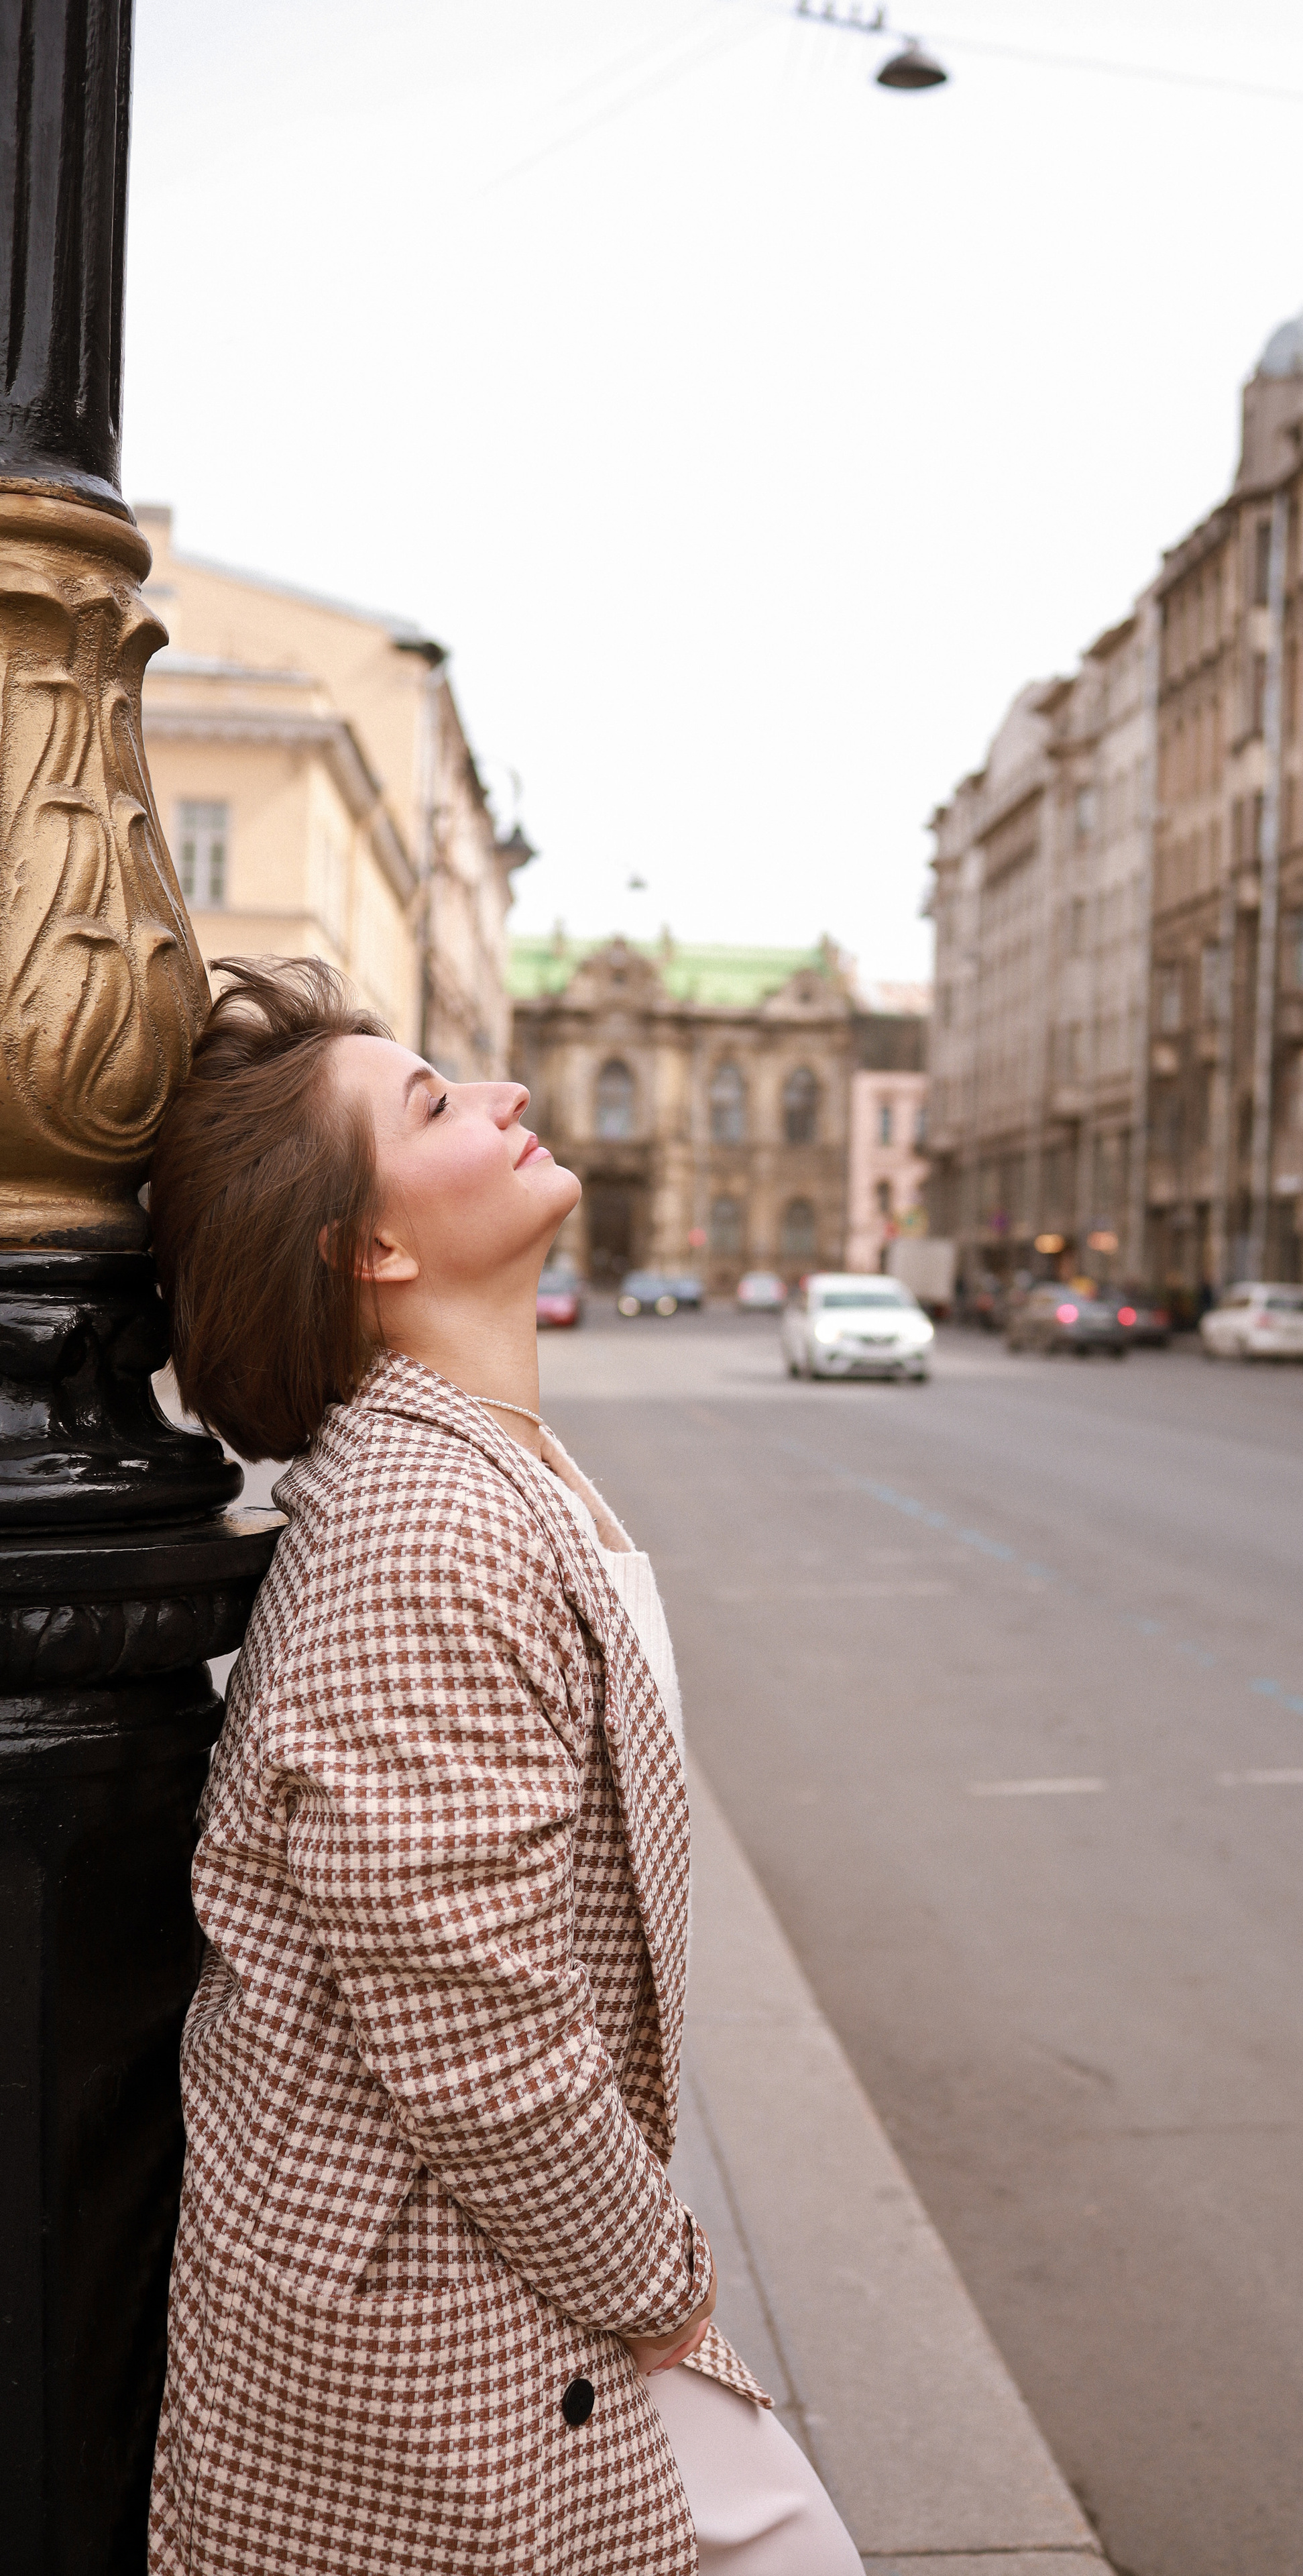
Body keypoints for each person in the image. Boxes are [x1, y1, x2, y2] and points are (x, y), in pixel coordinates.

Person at [146, 957, 862, 2576]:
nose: (507, 1091)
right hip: (433, 2359)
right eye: (434, 1103)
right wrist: (664, 2293)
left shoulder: (463, 1466)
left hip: (495, 2303)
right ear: (373, 1247)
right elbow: (478, 2040)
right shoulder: (423, 1532)